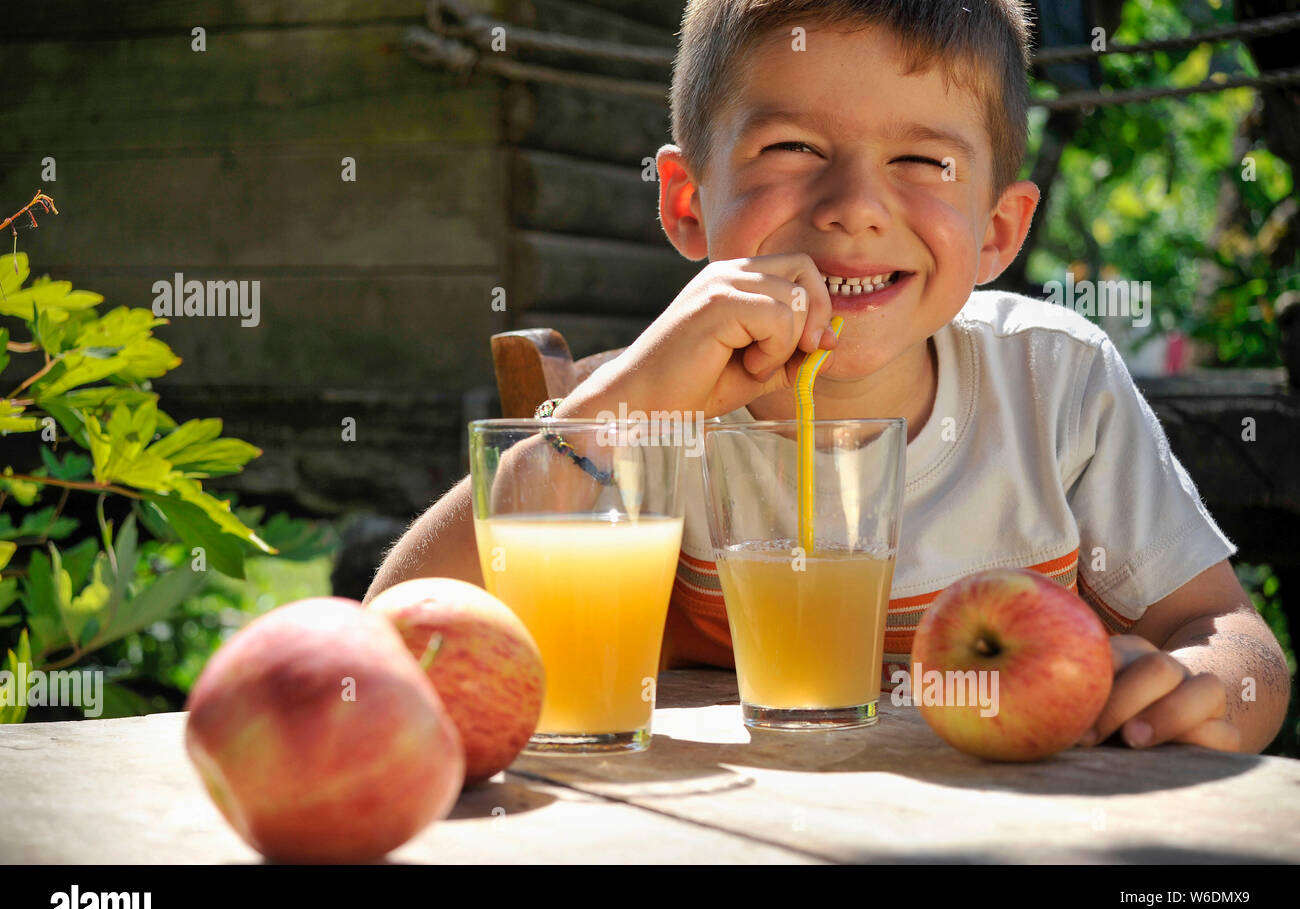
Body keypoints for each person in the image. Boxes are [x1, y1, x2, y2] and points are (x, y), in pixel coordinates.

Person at [367, 0, 1290, 754]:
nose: (853, 208)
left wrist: (1205, 691)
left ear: (1000, 232)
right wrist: (617, 406)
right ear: (688, 203)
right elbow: (394, 642)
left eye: (923, 160)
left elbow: (1234, 638)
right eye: (793, 149)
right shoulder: (643, 411)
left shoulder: (1056, 386)